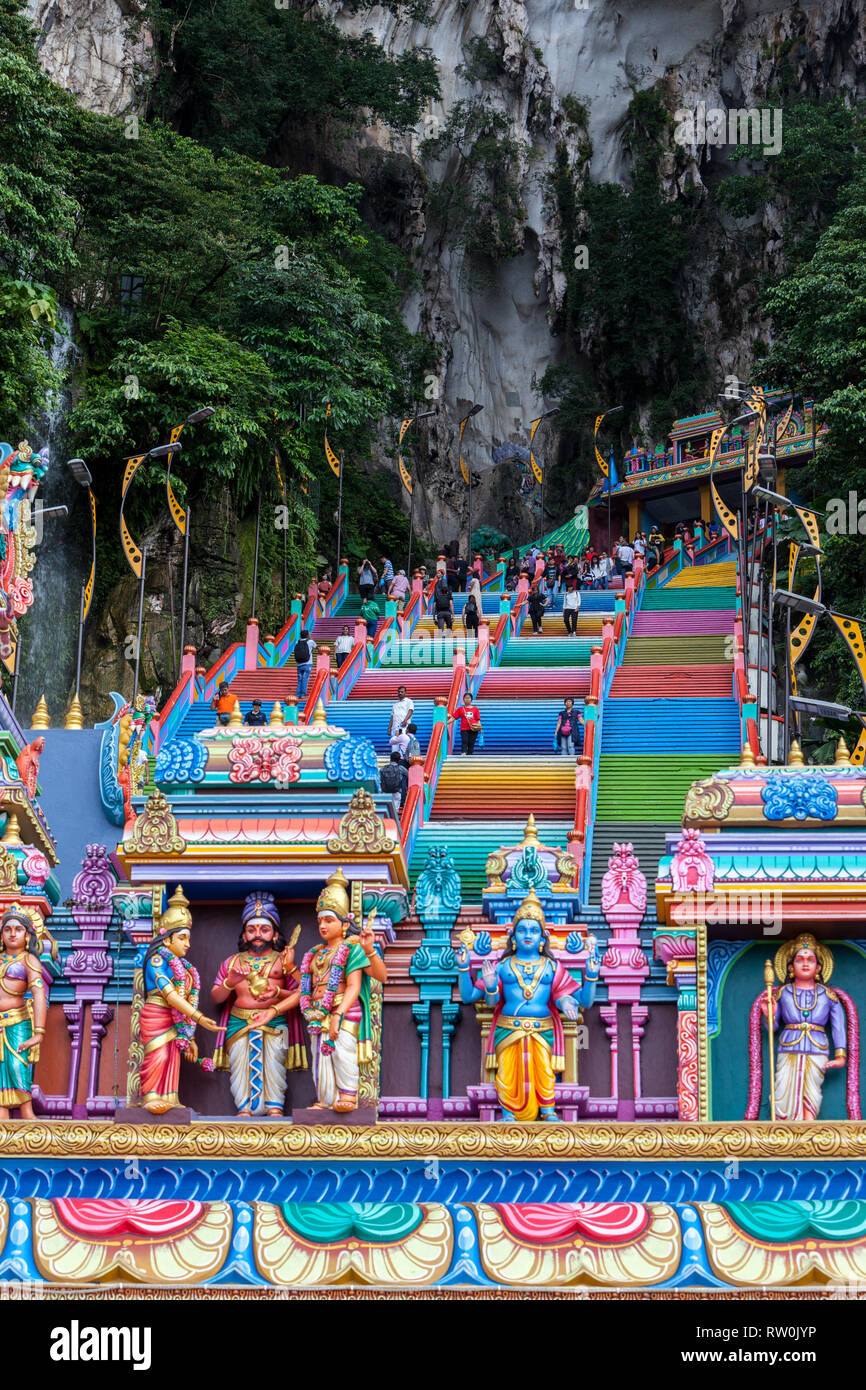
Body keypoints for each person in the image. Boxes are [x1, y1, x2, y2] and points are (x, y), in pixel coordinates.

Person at [297, 870, 387, 1113]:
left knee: (341, 1051)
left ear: (345, 924)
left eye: (330, 921)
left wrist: (337, 1014)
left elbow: (358, 985)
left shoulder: (353, 948)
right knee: (320, 1057)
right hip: (317, 1012)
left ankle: (348, 1094)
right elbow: (307, 986)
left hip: (344, 1010)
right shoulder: (316, 953)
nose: (323, 926)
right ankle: (325, 1100)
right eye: (320, 922)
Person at [210, 892, 306, 1117]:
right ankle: (244, 1109)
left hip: (277, 1021)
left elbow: (305, 992)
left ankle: (275, 1108)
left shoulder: (284, 960)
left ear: (274, 933)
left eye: (264, 929)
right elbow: (216, 997)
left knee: (274, 1063)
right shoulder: (232, 962)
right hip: (239, 1021)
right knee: (240, 1064)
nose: (257, 935)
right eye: (251, 929)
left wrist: (282, 985)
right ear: (244, 934)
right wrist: (230, 982)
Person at [137, 886, 220, 1113]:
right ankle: (151, 1095)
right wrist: (199, 1017)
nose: (187, 944)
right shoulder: (157, 960)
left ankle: (169, 1097)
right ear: (166, 939)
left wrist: (189, 1035)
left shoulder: (184, 967)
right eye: (182, 938)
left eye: (188, 938)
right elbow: (170, 994)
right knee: (159, 1053)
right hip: (156, 1013)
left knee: (173, 1054)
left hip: (175, 1018)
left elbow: (182, 998)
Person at [0, 907, 47, 1118]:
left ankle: (27, 1112)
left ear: (27, 935)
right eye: (7, 929)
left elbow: (39, 995)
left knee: (17, 1066)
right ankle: (1, 1113)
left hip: (17, 1021)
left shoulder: (29, 960)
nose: (12, 933)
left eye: (18, 929)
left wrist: (39, 1032)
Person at [454, 690, 482, 755]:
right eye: (466, 698)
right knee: (464, 741)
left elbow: (478, 719)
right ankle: (464, 752)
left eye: (469, 698)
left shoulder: (475, 709)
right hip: (464, 728)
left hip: (474, 728)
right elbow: (454, 717)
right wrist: (446, 723)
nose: (467, 699)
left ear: (471, 699)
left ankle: (470, 754)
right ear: (463, 699)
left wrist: (480, 727)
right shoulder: (460, 709)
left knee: (471, 742)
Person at [294, 629, 316, 699]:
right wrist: (310, 637)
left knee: (300, 679)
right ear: (307, 635)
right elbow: (316, 646)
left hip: (299, 664)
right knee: (305, 679)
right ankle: (303, 694)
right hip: (307, 663)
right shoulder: (310, 641)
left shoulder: (297, 642)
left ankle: (297, 694)